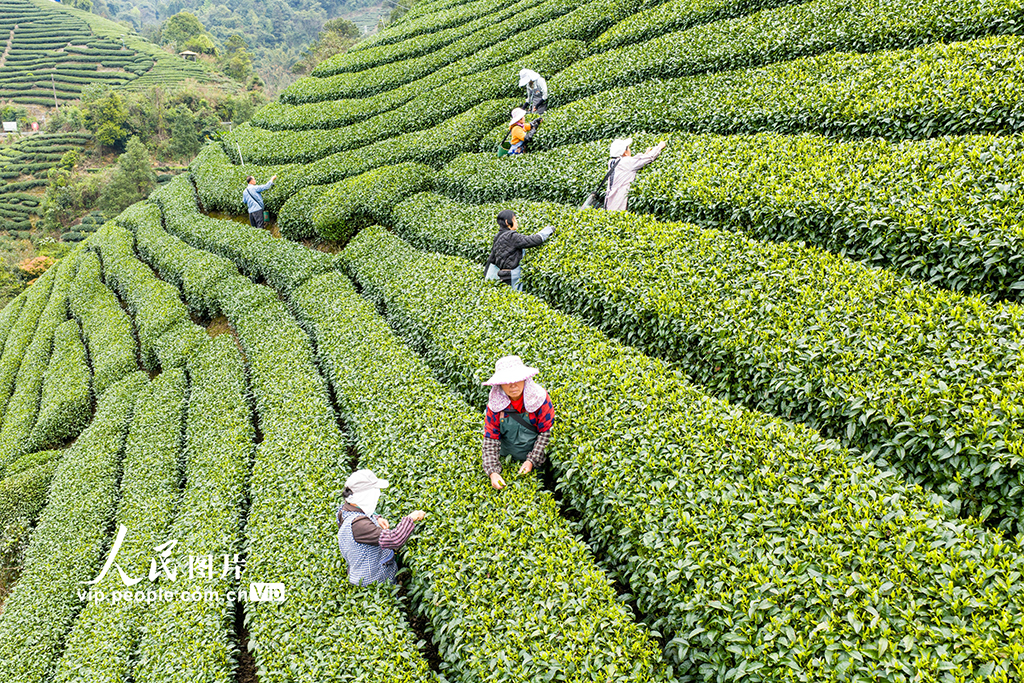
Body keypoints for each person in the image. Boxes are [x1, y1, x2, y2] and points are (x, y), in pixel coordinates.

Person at [336, 469, 426, 586]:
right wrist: (411, 518)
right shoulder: (359, 526)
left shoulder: (345, 511)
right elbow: (394, 540)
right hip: (374, 581)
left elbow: (362, 517)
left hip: (359, 572)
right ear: (363, 496)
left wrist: (376, 518)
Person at [481, 356, 555, 490]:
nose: (513, 385)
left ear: (525, 379)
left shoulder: (540, 399)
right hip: (507, 459)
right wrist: (493, 472)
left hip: (536, 458)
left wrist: (531, 461)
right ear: (500, 384)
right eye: (507, 381)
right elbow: (490, 439)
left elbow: (546, 433)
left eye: (517, 379)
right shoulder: (495, 406)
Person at [484, 209, 554, 291]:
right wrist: (548, 230)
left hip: (503, 275)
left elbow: (492, 258)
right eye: (514, 219)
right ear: (507, 222)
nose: (516, 222)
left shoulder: (498, 236)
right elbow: (533, 240)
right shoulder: (512, 236)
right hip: (512, 276)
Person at [604, 137, 667, 212]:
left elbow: (632, 162)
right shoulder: (627, 163)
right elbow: (649, 158)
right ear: (625, 152)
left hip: (609, 202)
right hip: (618, 205)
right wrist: (659, 147)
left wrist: (644, 154)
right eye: (628, 148)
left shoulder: (611, 162)